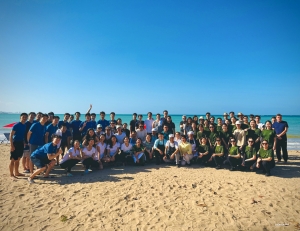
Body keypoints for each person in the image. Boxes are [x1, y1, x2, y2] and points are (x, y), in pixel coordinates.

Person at [9, 113, 28, 180]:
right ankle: (11, 174)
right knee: (13, 159)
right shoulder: (16, 125)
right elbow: (11, 135)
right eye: (23, 117)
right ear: (20, 117)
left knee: (18, 159)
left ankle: (17, 172)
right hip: (15, 143)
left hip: (21, 143)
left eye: (26, 117)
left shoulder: (24, 125)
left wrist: (23, 142)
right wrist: (11, 145)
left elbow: (22, 135)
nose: (24, 118)